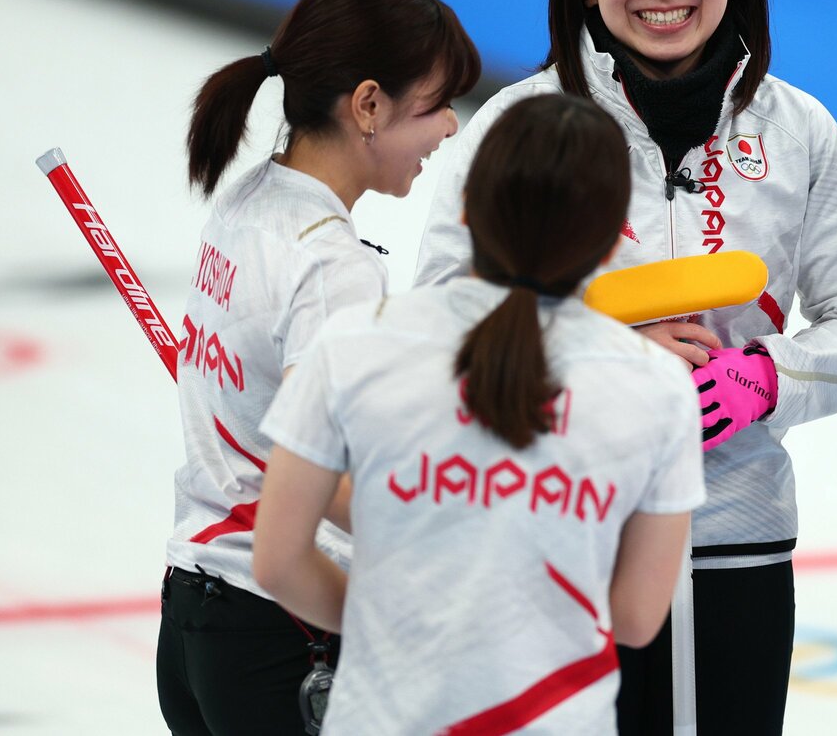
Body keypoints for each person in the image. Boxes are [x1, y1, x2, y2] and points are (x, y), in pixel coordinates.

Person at [414, 0, 837, 735]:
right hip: (555, 536)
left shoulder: (798, 130)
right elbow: (445, 322)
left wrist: (767, 378)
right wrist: (602, 358)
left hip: (736, 544)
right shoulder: (518, 127)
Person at [252, 93, 704, 734]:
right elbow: (635, 617)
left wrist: (391, 624)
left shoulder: (356, 342)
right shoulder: (658, 388)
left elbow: (276, 561)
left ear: (467, 209)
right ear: (608, 248)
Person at [157, 0, 480, 735]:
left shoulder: (250, 199)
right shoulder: (334, 267)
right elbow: (328, 481)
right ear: (369, 105)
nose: (450, 128)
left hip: (195, 624)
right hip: (286, 641)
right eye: (437, 105)